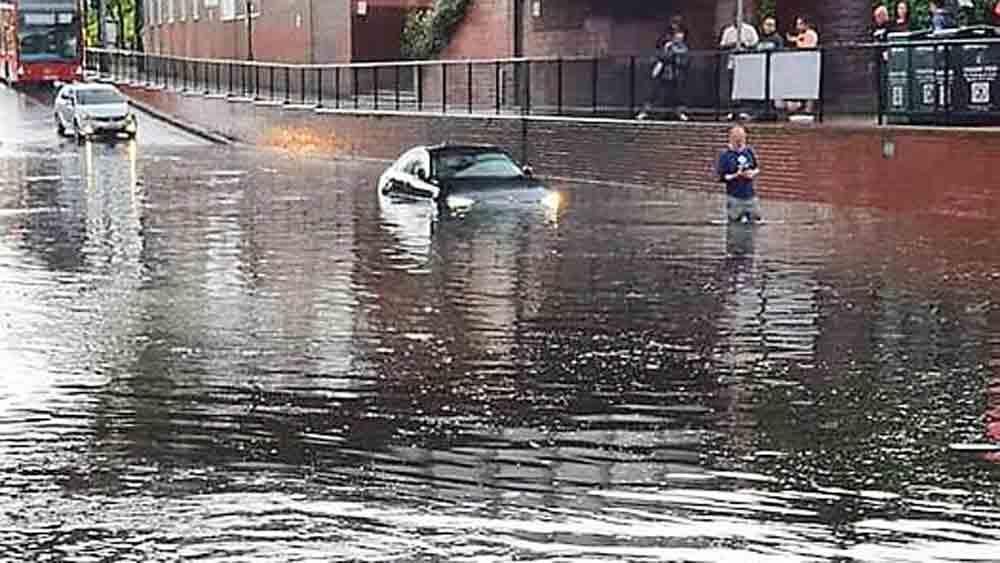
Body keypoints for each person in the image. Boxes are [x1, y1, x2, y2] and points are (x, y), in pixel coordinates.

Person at [637, 28, 691, 121]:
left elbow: (684, 60)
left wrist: (674, 57)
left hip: (676, 75)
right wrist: (667, 53)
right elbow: (662, 57)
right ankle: (644, 112)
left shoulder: (683, 48)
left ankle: (680, 113)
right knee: (654, 94)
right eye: (677, 36)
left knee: (676, 96)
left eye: (681, 36)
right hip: (664, 74)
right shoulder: (667, 45)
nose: (679, 38)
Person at [717, 125, 762, 224]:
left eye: (742, 138)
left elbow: (756, 168)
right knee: (734, 224)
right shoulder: (725, 155)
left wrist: (752, 173)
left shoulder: (749, 151)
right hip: (734, 197)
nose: (740, 142)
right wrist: (736, 175)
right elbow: (723, 177)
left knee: (755, 222)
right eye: (737, 139)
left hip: (750, 196)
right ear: (731, 139)